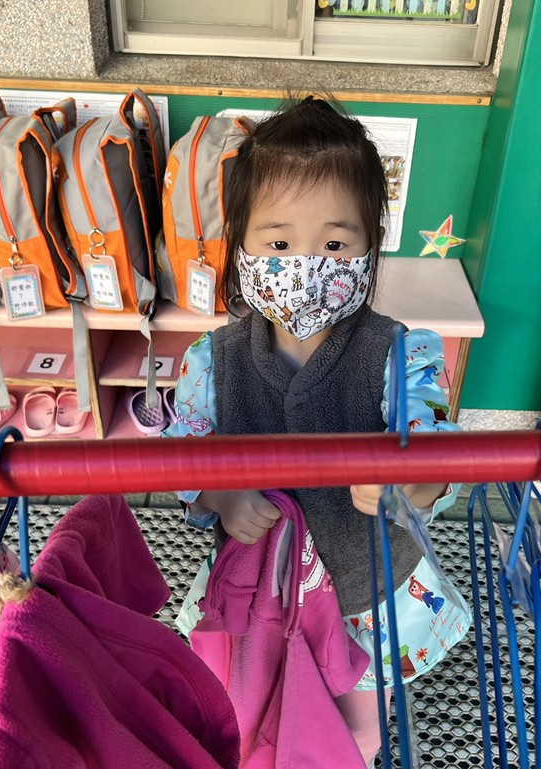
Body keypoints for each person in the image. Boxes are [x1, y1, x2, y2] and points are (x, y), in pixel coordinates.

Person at [163, 96, 470, 766]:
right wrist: (219, 493)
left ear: (370, 244)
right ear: (240, 245)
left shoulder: (403, 354)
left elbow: (437, 456)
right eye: (278, 244)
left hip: (366, 599)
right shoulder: (211, 361)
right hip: (254, 597)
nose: (306, 264)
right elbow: (178, 457)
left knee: (354, 729)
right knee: (247, 713)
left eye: (334, 244)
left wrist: (406, 478)